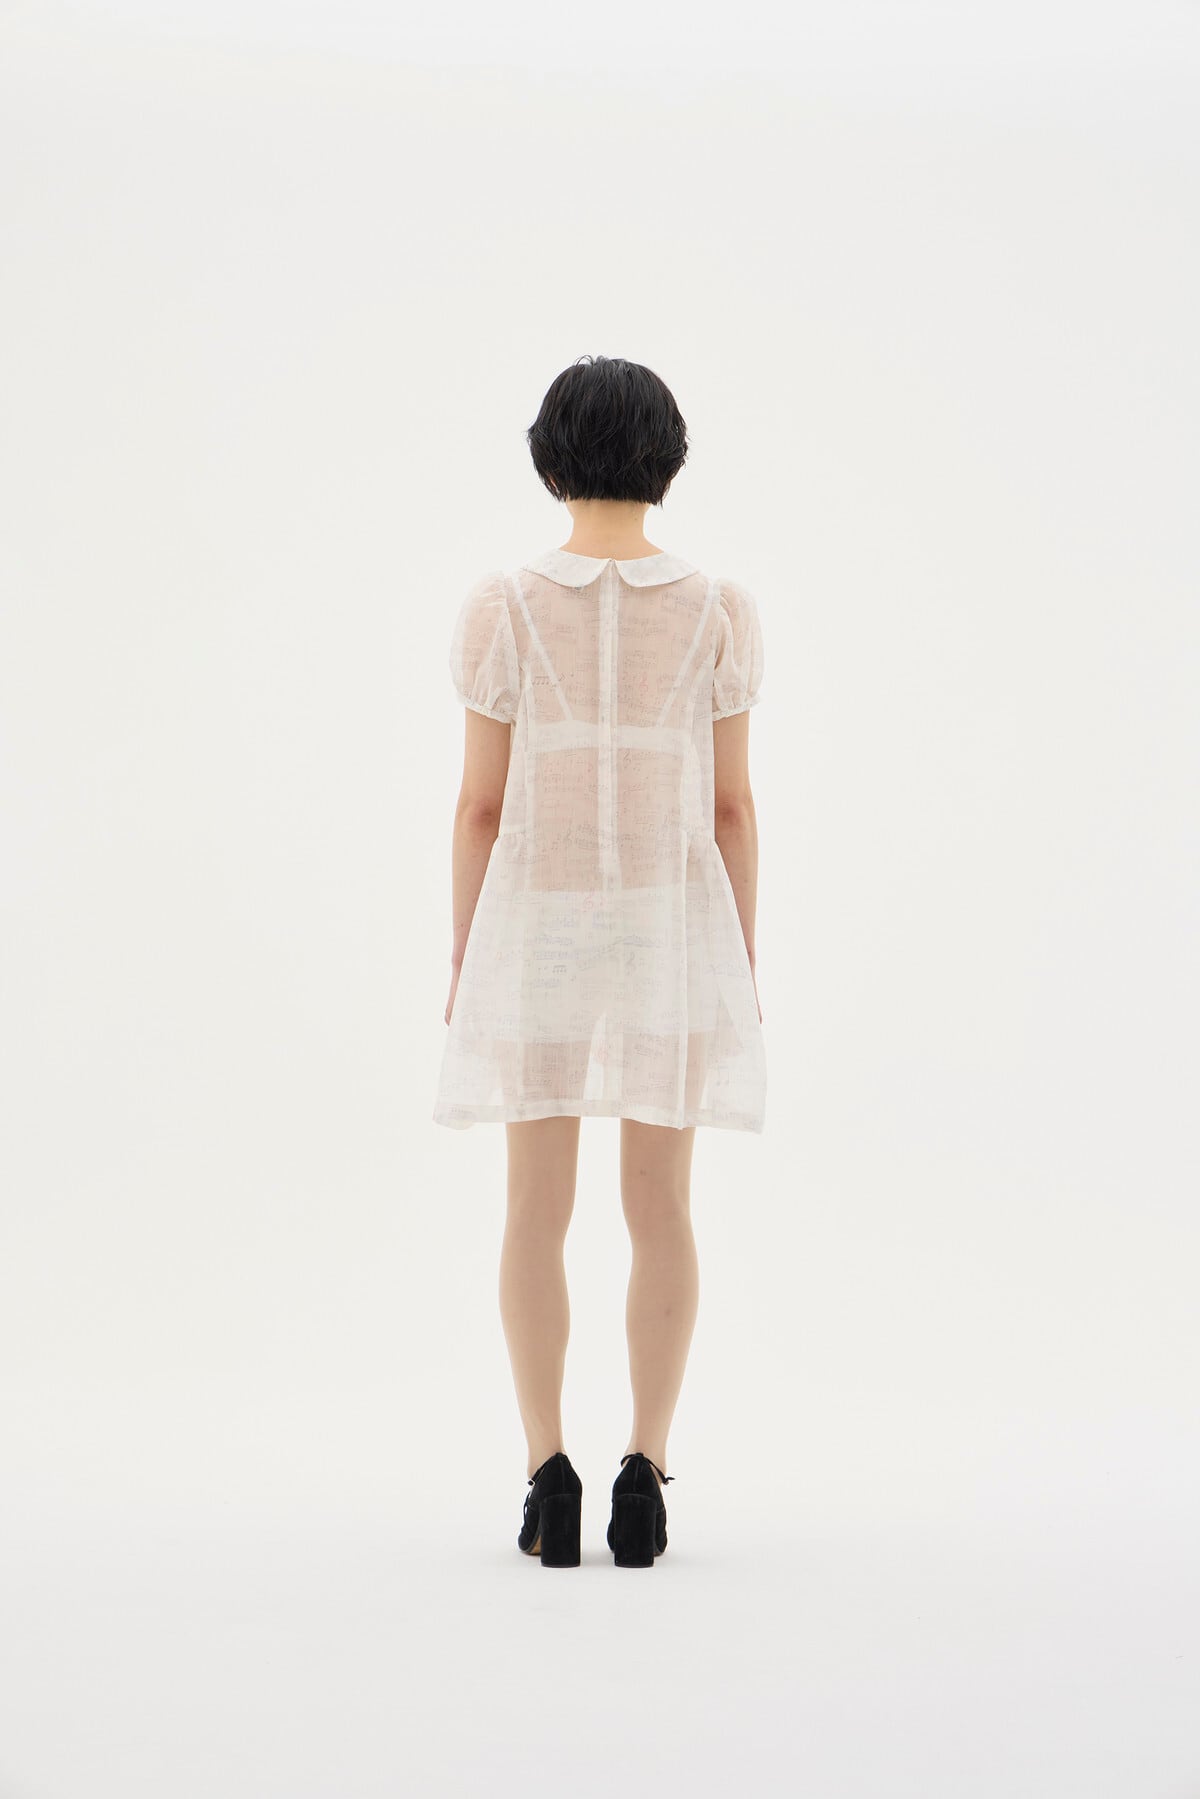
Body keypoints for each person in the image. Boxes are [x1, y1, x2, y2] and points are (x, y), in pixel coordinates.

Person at [433, 354, 766, 1567]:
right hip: (671, 928)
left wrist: (466, 953)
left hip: (542, 924)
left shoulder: (504, 606)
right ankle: (646, 1468)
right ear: (666, 456)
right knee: (661, 1204)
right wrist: (739, 959)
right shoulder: (718, 608)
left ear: (551, 457)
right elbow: (731, 808)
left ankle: (547, 1472)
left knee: (535, 1206)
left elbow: (481, 806)